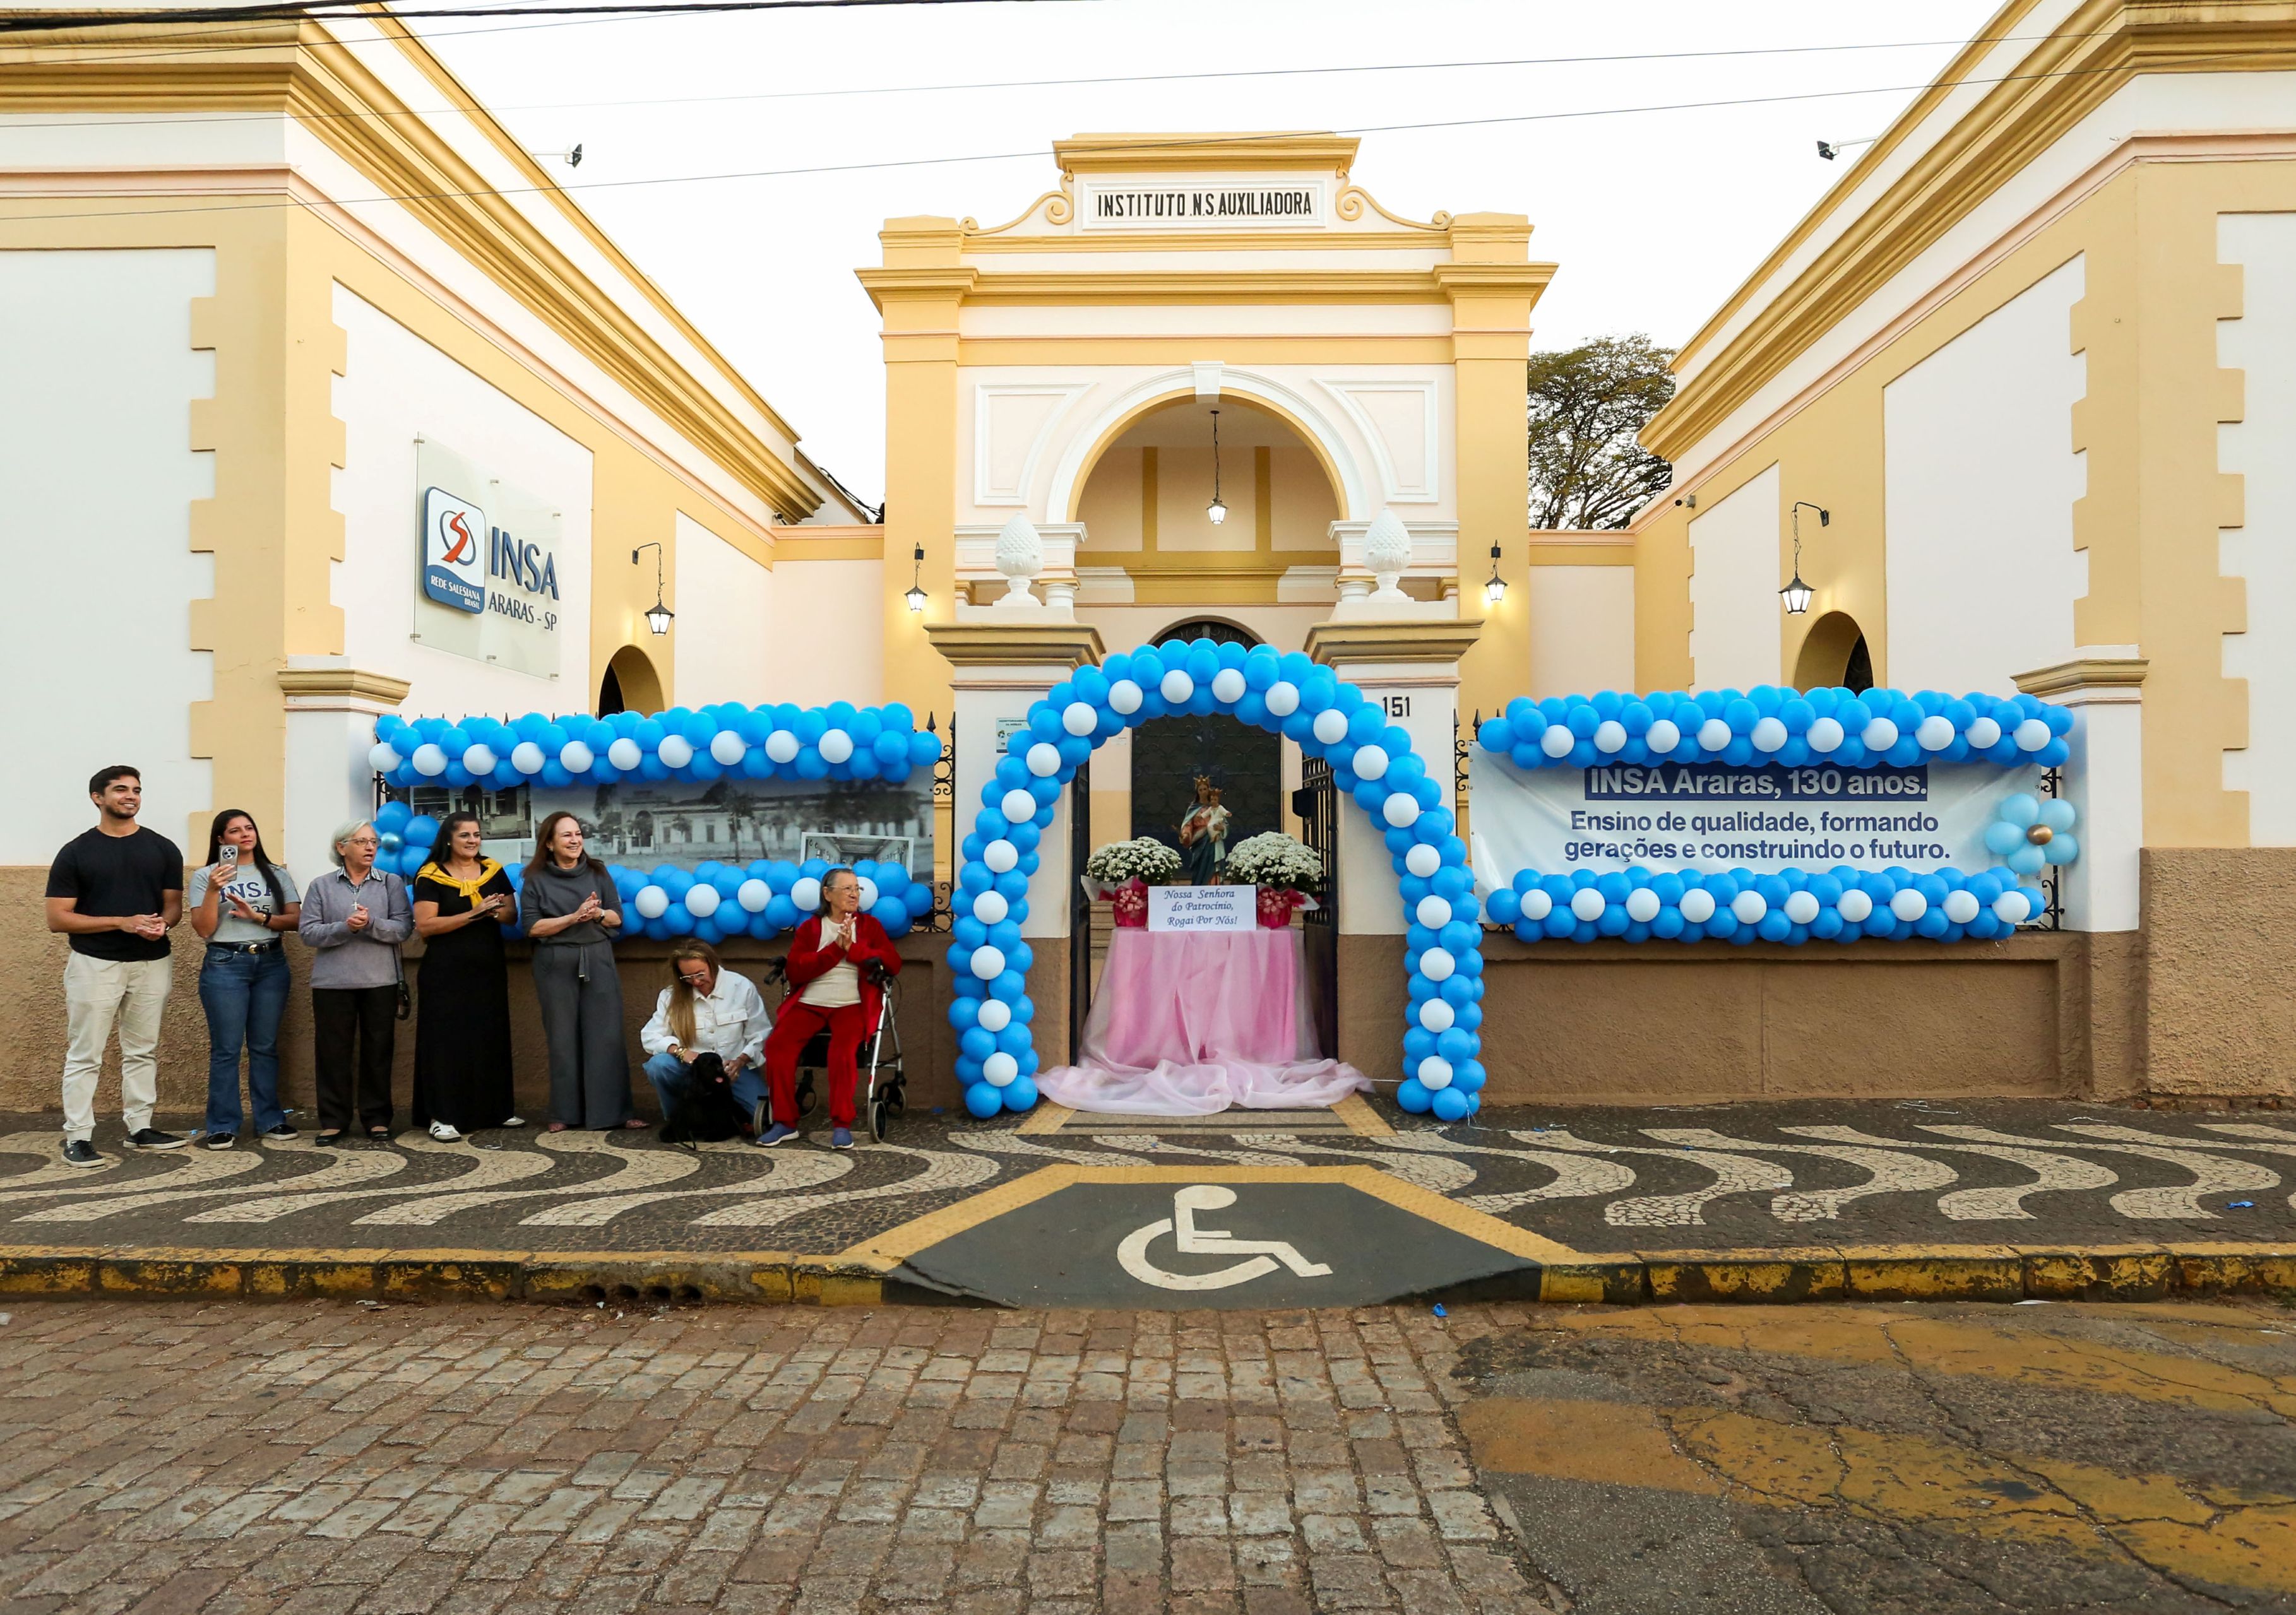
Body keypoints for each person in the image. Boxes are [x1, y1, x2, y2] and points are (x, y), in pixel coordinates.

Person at [45, 765, 188, 1166]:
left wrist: (163, 925)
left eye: (137, 790)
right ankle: (77, 1136)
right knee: (85, 1054)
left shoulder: (163, 848)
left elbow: (173, 907)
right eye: (121, 789)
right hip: (95, 964)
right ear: (98, 798)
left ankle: (140, 1127)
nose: (131, 796)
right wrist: (121, 922)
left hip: (152, 963)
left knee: (142, 1051)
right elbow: (57, 919)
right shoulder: (76, 852)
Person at [759, 867, 900, 1149]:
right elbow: (796, 971)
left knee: (843, 1053)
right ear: (827, 894)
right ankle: (785, 1122)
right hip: (810, 1002)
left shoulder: (870, 926)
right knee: (777, 1046)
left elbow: (893, 963)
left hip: (852, 1004)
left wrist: (854, 950)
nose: (854, 894)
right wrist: (835, 949)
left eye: (857, 889)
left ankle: (842, 1124)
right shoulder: (811, 928)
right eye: (847, 888)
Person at [187, 808, 301, 1149]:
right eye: (235, 830)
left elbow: (295, 920)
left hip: (270, 962)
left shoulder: (275, 874)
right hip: (226, 963)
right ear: (221, 839)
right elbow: (204, 929)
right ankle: (223, 1124)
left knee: (265, 1046)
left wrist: (259, 917)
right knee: (227, 1048)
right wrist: (213, 890)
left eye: (249, 828)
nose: (245, 834)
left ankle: (270, 1119)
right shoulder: (205, 876)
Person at [521, 810, 639, 1131]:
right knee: (562, 1039)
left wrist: (597, 913)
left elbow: (616, 917)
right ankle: (564, 1114)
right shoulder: (535, 879)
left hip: (598, 959)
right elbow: (532, 927)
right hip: (555, 964)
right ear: (549, 843)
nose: (575, 841)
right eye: (566, 835)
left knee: (606, 1036)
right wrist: (573, 918)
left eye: (578, 834)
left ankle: (613, 1113)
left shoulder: (598, 872)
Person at [410, 811, 523, 1142]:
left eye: (477, 835)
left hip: (487, 969)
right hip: (445, 972)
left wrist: (494, 911)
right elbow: (425, 926)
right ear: (448, 839)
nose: (473, 841)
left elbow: (511, 915)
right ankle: (442, 1116)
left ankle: (495, 1110)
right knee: (446, 1043)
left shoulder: (493, 870)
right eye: (465, 835)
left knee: (489, 1036)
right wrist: (473, 913)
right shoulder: (430, 875)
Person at [298, 820, 412, 1144]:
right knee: (333, 1053)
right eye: (362, 842)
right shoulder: (321, 886)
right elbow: (308, 933)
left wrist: (371, 923)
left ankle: (377, 1119)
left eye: (374, 842)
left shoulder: (391, 883)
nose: (370, 847)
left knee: (378, 1051)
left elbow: (403, 928)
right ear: (341, 847)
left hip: (380, 980)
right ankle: (334, 1120)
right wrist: (345, 928)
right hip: (332, 983)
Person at [639, 940, 770, 1136]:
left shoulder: (741, 987)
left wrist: (741, 1060)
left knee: (765, 1119)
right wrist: (680, 1052)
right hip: (693, 1073)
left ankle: (731, 1116)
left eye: (700, 974)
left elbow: (761, 1033)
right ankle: (680, 1120)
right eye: (688, 977)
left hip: (733, 1070)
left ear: (712, 964)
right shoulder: (671, 995)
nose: (696, 982)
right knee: (659, 1066)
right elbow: (650, 1036)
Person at [1178, 775, 1232, 886]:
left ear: (1208, 790)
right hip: (1200, 843)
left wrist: (1222, 828)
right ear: (1197, 792)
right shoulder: (1193, 808)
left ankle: (1215, 887)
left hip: (1214, 840)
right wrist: (1186, 835)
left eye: (1205, 789)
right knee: (1201, 868)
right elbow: (1188, 825)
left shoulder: (1216, 807)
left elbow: (1224, 822)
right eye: (1200, 790)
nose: (1203, 792)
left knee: (1214, 866)